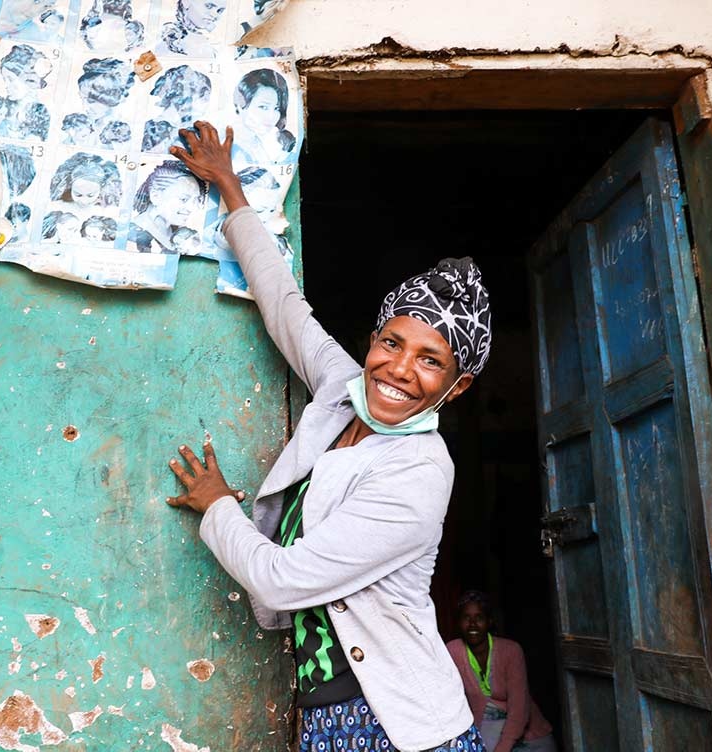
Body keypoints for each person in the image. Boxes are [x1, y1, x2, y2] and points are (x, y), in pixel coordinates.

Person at [164, 121, 492, 752]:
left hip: (404, 728)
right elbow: (285, 305)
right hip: (331, 717)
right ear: (371, 341)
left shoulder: (419, 472)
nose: (399, 370)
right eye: (392, 343)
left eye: (431, 360)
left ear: (459, 385)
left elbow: (283, 581)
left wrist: (219, 507)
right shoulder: (340, 388)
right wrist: (231, 190)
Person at [446, 592, 557, 752]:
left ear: (489, 621)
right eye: (466, 618)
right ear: (458, 622)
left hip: (527, 733)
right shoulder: (453, 650)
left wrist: (503, 747)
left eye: (479, 618)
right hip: (486, 728)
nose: (472, 624)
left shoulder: (511, 651)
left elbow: (519, 708)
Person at [129, 160, 206, 253]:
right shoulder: (134, 236)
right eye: (183, 199)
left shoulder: (175, 233)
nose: (192, 208)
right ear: (155, 196)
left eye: (196, 200)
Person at [232, 68, 296, 165]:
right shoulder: (231, 146)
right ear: (241, 105)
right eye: (263, 107)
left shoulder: (259, 144)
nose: (271, 116)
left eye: (276, 108)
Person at [0, 44, 52, 141]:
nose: (6, 86)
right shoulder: (1, 106)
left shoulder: (39, 112)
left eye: (10, 79)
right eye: (4, 79)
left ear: (29, 79)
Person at [49, 152, 122, 208]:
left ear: (101, 189)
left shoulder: (108, 206)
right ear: (70, 186)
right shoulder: (59, 204)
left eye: (91, 195)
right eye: (78, 194)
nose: (84, 201)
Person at [157, 0, 226, 57]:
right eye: (208, 6)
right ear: (186, 2)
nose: (215, 15)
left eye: (219, 11)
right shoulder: (167, 33)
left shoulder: (212, 41)